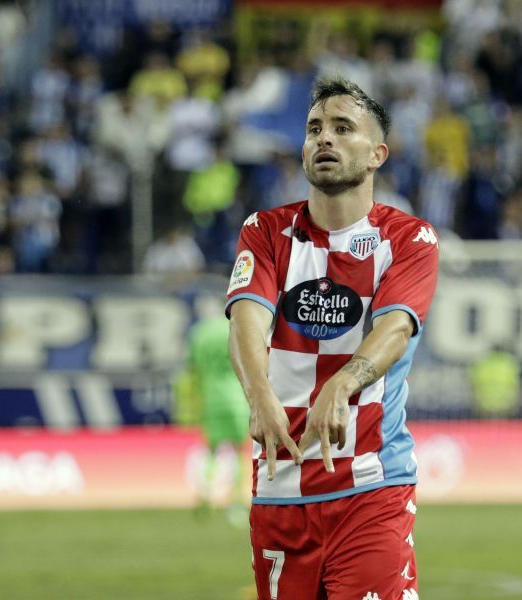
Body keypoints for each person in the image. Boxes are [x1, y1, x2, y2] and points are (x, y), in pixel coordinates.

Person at [226, 76, 439, 600]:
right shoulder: (265, 231)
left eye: (343, 129)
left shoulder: (409, 238)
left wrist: (342, 384)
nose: (325, 139)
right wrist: (259, 396)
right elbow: (246, 317)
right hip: (279, 485)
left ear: (377, 154)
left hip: (370, 484)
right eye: (315, 129)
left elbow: (394, 326)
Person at [178, 295, 250, 525]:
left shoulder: (199, 333)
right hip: (238, 397)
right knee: (239, 451)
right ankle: (236, 503)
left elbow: (192, 369)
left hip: (210, 398)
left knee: (210, 450)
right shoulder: (237, 328)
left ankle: (204, 497)